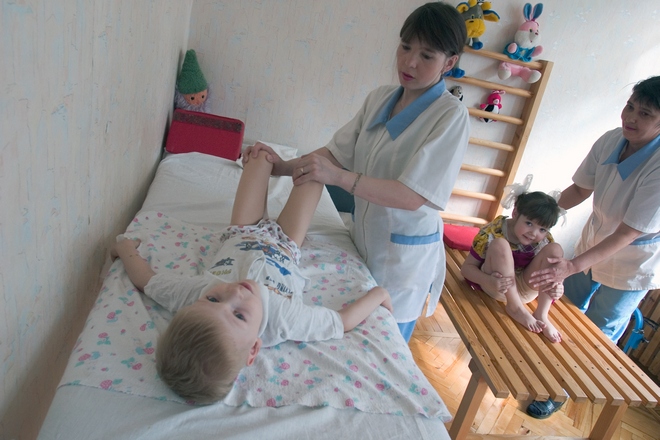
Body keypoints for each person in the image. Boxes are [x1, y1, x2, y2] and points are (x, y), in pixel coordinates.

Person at [243, 2, 470, 342]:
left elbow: (411, 196)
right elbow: (334, 154)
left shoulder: (450, 117)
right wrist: (279, 166)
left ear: (449, 63)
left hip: (402, 262)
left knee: (384, 342)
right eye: (405, 47)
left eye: (426, 55)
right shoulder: (380, 99)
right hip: (362, 243)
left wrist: (337, 177)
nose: (409, 62)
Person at [112, 150, 393, 404]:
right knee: (316, 169)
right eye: (239, 315)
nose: (235, 292)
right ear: (254, 349)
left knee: (259, 155)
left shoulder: (194, 295)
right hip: (286, 243)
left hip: (242, 231)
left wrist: (125, 249)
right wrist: (378, 294)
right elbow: (342, 322)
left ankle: (273, 163)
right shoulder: (283, 319)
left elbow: (147, 281)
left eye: (213, 299)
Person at [526, 75, 660, 419]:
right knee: (558, 308)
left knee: (596, 335)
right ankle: (537, 370)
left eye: (645, 114)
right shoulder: (613, 139)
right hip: (595, 242)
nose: (631, 118)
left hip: (633, 261)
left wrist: (571, 265)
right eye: (630, 106)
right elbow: (580, 190)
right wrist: (536, 215)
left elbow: (628, 233)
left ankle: (560, 391)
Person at [460, 189, 564, 342]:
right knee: (500, 244)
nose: (534, 233)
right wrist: (488, 280)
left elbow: (552, 270)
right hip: (498, 286)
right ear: (515, 213)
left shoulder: (544, 240)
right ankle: (515, 307)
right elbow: (466, 269)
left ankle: (541, 314)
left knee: (555, 249)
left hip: (526, 289)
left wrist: (558, 286)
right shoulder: (492, 232)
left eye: (542, 229)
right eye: (529, 223)